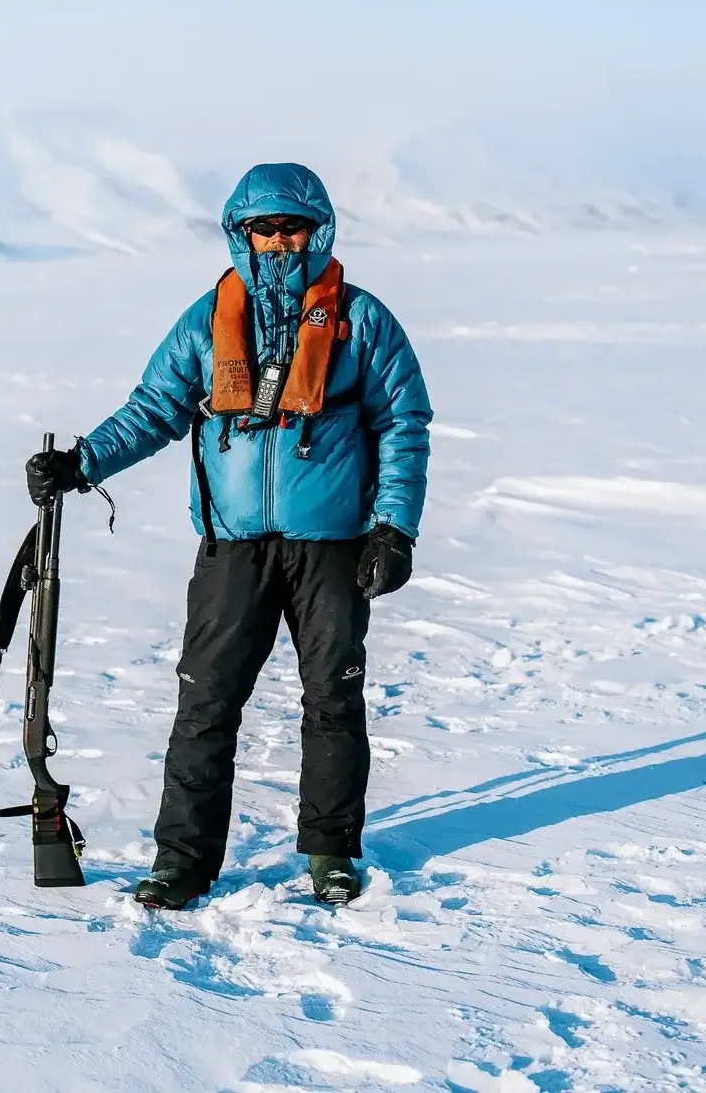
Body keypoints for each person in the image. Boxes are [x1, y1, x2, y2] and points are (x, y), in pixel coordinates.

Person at [26, 163, 431, 908]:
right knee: (204, 704)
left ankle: (331, 851)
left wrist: (394, 528)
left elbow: (403, 424)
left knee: (333, 701)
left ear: (318, 231)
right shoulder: (207, 319)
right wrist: (82, 463)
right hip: (232, 547)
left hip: (333, 546)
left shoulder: (361, 319)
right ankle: (183, 861)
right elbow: (154, 408)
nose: (278, 240)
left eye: (291, 227)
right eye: (262, 228)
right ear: (240, 235)